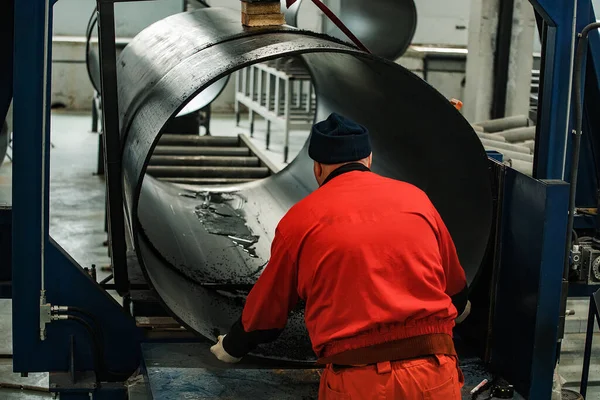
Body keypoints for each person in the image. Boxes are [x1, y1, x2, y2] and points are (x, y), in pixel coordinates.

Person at [211, 112, 470, 399]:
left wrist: (233, 346)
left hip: (361, 381)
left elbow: (268, 309)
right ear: (369, 159)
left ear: (317, 168)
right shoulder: (416, 199)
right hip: (435, 372)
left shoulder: (299, 221)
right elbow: (454, 286)